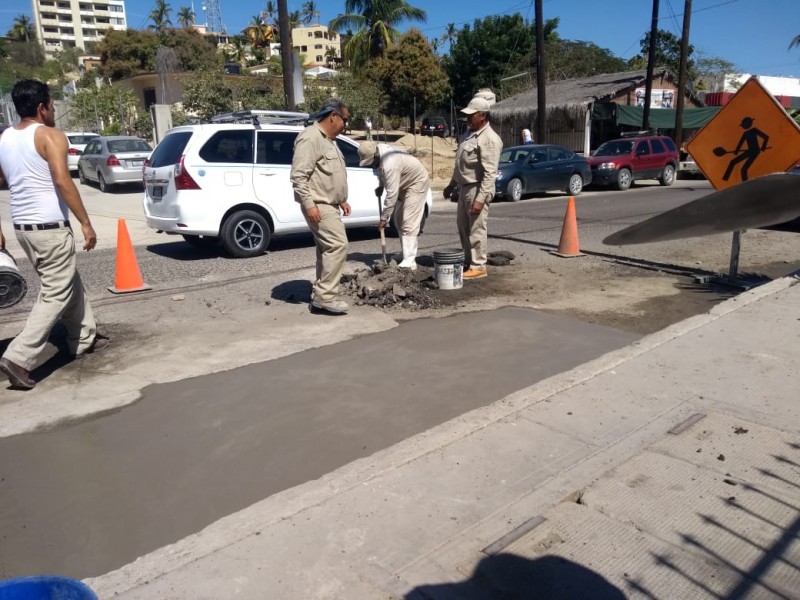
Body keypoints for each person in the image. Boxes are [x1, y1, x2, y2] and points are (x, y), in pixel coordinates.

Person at [0, 79, 109, 390]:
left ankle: (83, 338)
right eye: (50, 105)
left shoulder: (6, 137)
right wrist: (85, 223)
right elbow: (63, 181)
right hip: (49, 228)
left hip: (23, 228)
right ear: (41, 107)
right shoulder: (50, 136)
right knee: (55, 293)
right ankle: (18, 357)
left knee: (67, 282)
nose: (52, 111)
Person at [290, 98, 352, 315]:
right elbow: (299, 176)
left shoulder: (329, 140)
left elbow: (327, 174)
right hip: (319, 205)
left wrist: (341, 198)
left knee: (326, 248)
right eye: (344, 119)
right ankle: (325, 297)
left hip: (329, 203)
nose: (346, 124)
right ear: (333, 116)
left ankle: (321, 294)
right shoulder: (310, 138)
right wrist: (309, 204)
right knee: (338, 245)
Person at [442, 97, 503, 280]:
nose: (468, 119)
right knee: (462, 226)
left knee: (476, 229)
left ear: (482, 116)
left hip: (477, 189)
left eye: (472, 115)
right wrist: (451, 185)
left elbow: (490, 174)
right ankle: (469, 261)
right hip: (464, 188)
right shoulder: (469, 133)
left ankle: (478, 266)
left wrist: (480, 199)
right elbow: (460, 164)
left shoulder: (490, 139)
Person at [358, 141, 430, 270]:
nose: (372, 165)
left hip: (416, 182)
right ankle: (405, 253)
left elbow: (392, 194)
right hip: (404, 181)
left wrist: (384, 218)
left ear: (375, 156)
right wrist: (380, 186)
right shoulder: (379, 153)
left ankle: (410, 260)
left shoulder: (390, 164)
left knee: (409, 221)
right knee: (400, 219)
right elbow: (380, 171)